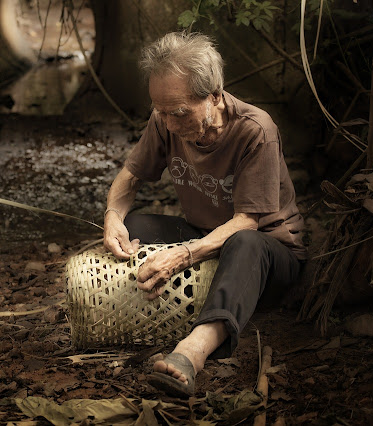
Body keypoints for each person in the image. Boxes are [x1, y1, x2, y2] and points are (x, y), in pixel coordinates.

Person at [102, 31, 306, 397]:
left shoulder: (255, 130)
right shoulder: (165, 117)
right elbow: (130, 176)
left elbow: (247, 222)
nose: (168, 123)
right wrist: (113, 215)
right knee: (135, 224)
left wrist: (180, 256)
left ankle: (191, 352)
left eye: (179, 113)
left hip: (268, 252)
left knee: (244, 242)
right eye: (160, 112)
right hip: (205, 236)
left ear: (214, 95)